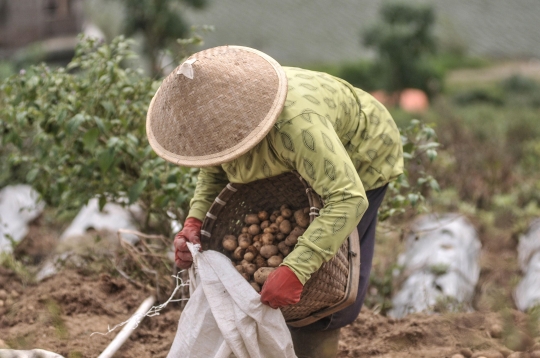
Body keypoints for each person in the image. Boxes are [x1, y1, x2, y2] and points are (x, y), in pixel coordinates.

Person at [146, 45, 403, 358]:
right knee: (272, 276)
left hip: (360, 158)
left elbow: (347, 199)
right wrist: (195, 221)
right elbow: (215, 171)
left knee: (323, 281)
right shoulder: (218, 124)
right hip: (298, 165)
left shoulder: (296, 126)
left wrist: (296, 270)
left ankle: (313, 347)